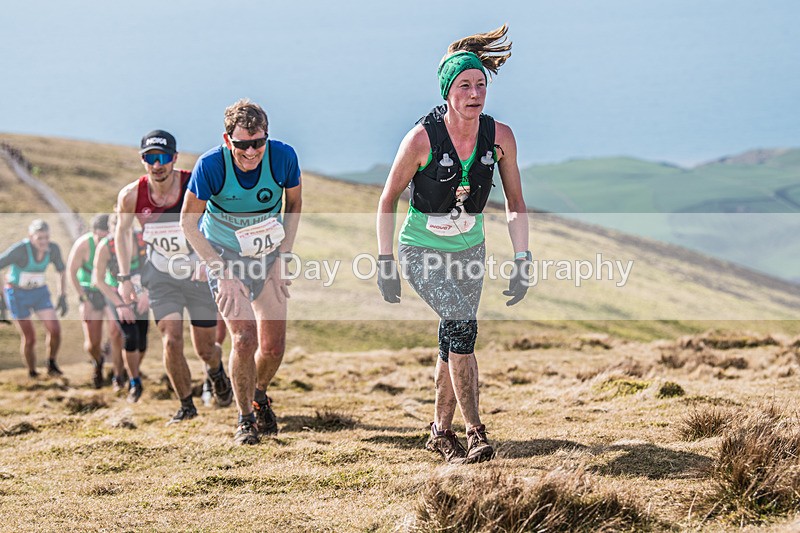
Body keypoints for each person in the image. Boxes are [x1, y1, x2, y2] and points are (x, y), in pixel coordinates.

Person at [376, 25, 530, 464]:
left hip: (470, 250)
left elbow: (516, 201)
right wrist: (386, 262)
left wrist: (523, 258)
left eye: (481, 84)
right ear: (448, 92)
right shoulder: (421, 139)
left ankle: (440, 433)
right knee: (462, 324)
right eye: (465, 85)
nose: (475, 93)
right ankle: (476, 432)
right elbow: (387, 198)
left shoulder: (500, 137)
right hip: (421, 250)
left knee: (454, 336)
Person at [181, 98, 302, 445]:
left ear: (267, 136)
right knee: (245, 337)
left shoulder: (283, 157)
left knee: (274, 347)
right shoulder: (210, 166)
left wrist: (283, 256)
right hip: (224, 255)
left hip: (267, 254)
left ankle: (258, 394)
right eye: (242, 145)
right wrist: (221, 271)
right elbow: (188, 223)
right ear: (227, 140)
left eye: (258, 143)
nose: (251, 152)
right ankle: (245, 420)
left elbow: (293, 204)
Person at [116, 130, 233, 424]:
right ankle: (186, 406)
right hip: (160, 273)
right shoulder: (132, 195)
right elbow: (121, 233)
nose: (157, 165)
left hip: (196, 273)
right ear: (143, 160)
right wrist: (124, 277)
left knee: (205, 348)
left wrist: (210, 259)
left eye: (163, 158)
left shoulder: (193, 183)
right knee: (170, 339)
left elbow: (218, 220)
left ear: (174, 158)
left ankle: (217, 371)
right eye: (150, 158)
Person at [0, 219, 68, 377]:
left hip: (39, 292)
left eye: (46, 237)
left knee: (55, 330)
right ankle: (32, 372)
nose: (44, 241)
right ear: (31, 237)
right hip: (17, 294)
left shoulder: (53, 249)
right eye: (40, 238)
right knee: (30, 338)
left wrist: (62, 296)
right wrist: (2, 298)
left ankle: (51, 363)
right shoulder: (20, 250)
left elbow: (61, 270)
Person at [93, 215, 149, 403]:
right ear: (111, 229)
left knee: (142, 340)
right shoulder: (106, 247)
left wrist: (147, 294)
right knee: (130, 335)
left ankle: (129, 370)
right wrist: (119, 304)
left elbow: (155, 267)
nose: (121, 230)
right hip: (116, 295)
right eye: (116, 226)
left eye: (124, 225)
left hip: (141, 293)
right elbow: (98, 280)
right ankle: (134, 382)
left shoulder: (142, 239)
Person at [66, 213, 125, 389]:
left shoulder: (116, 244)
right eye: (100, 237)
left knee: (116, 333)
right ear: (93, 233)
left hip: (110, 290)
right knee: (92, 343)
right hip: (90, 292)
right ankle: (97, 362)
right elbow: (71, 272)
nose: (103, 241)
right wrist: (83, 299)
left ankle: (118, 376)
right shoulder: (83, 245)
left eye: (107, 236)